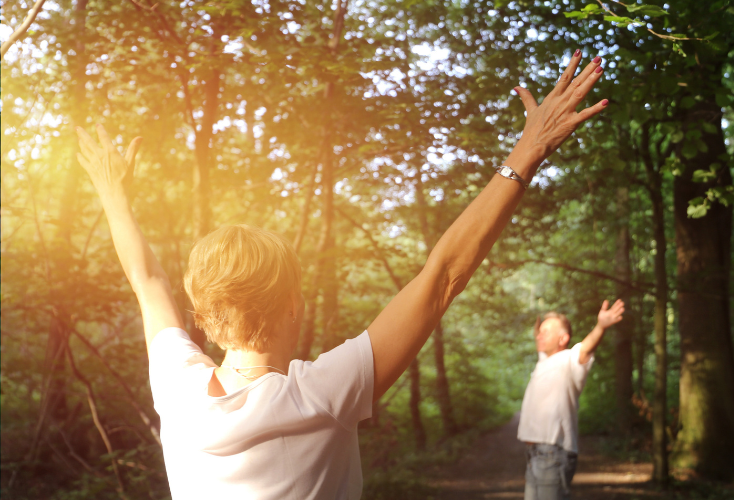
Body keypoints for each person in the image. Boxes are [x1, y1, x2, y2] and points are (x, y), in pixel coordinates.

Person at [74, 50, 608, 499]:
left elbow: (147, 282)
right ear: (291, 304)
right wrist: (528, 150)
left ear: (207, 317)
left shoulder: (177, 388)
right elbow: (442, 275)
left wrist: (112, 195)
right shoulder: (323, 395)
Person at [517, 300, 626, 500]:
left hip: (553, 453)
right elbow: (539, 337)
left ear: (563, 338)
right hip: (533, 454)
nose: (539, 336)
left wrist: (601, 326)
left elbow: (585, 348)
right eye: (539, 331)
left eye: (546, 332)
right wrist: (541, 324)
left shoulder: (570, 360)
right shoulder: (544, 361)